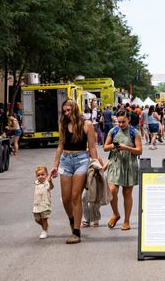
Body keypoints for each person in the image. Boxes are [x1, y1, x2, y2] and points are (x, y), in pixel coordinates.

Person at [50, 98, 101, 244]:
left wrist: (95, 163)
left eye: (68, 110)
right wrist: (55, 165)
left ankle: (76, 231)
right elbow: (60, 145)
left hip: (81, 160)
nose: (66, 113)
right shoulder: (63, 124)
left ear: (75, 109)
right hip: (66, 160)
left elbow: (92, 147)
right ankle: (72, 219)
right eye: (64, 111)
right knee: (65, 198)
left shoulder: (87, 125)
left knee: (75, 196)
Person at [104, 110, 142, 230]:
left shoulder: (134, 132)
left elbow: (139, 151)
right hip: (115, 164)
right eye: (118, 122)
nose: (120, 124)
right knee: (112, 190)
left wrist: (125, 147)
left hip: (129, 165)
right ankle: (116, 214)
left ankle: (126, 221)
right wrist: (113, 146)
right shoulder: (113, 131)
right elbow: (105, 147)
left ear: (129, 120)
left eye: (123, 122)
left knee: (127, 194)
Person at [33, 165, 54, 239]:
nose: (40, 176)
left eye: (42, 174)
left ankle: (44, 231)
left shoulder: (47, 182)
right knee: (37, 219)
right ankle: (45, 226)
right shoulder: (36, 183)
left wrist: (50, 180)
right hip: (37, 205)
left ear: (46, 175)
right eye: (38, 175)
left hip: (45, 205)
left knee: (44, 219)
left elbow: (51, 187)